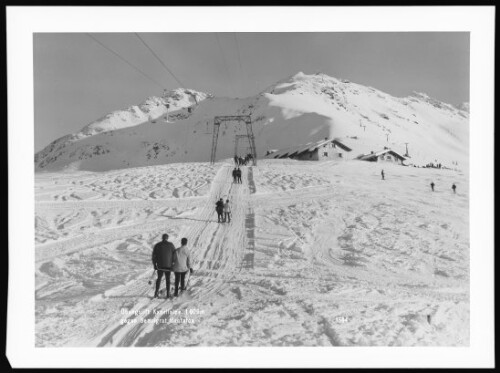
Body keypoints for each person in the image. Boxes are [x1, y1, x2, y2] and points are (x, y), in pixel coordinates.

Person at [152, 234, 176, 299]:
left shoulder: (157, 245)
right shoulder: (171, 245)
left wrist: (155, 264)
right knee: (167, 279)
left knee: (159, 278)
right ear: (167, 238)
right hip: (168, 266)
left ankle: (156, 292)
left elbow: (154, 256)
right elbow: (175, 255)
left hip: (160, 265)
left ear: (162, 238)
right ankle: (168, 294)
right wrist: (173, 264)